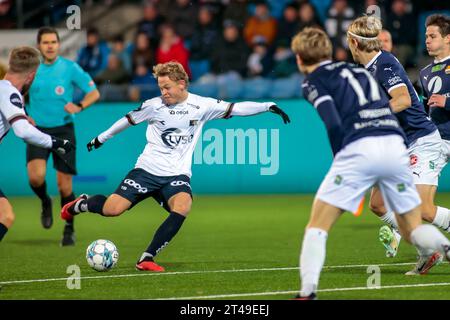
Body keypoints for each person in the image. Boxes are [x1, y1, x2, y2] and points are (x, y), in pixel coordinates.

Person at [60, 61, 290, 272]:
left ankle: (147, 258)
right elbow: (127, 120)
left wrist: (267, 105)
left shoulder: (202, 105)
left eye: (167, 87)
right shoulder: (153, 106)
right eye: (161, 88)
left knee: (183, 205)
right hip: (146, 171)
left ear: (182, 84)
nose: (164, 92)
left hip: (176, 175)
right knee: (113, 209)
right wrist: (101, 138)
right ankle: (83, 204)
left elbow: (236, 108)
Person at [291, 27, 450, 300]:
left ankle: (307, 292)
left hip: (398, 142)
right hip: (394, 143)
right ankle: (439, 248)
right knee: (397, 216)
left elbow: (335, 122)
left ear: (299, 58)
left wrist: (342, 157)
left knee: (317, 224)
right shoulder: (359, 71)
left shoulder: (319, 80)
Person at [347, 16, 449, 275]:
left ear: (354, 42)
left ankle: (439, 245)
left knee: (423, 209)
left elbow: (402, 100)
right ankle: (429, 251)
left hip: (421, 141)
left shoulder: (384, 63)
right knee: (378, 204)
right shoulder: (368, 70)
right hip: (398, 146)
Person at [27, 27, 100, 246]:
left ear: (59, 45)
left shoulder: (70, 68)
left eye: (53, 42)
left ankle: (69, 228)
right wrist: (23, 115)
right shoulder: (30, 69)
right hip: (37, 130)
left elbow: (94, 92)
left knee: (65, 187)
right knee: (36, 177)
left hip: (64, 130)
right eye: (45, 42)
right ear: (39, 45)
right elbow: (16, 94)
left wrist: (79, 106)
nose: (50, 46)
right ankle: (45, 201)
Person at [0, 46, 73, 242]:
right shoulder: (10, 93)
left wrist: (24, 118)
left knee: (5, 214)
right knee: (5, 216)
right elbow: (22, 131)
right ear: (31, 75)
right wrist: (56, 142)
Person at [420, 14, 450, 162]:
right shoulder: (424, 72)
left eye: (432, 36)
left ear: (447, 38)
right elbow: (425, 109)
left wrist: (446, 102)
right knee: (421, 184)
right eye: (426, 36)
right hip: (437, 140)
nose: (427, 40)